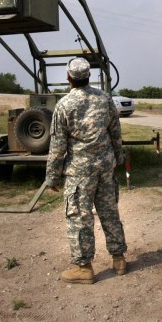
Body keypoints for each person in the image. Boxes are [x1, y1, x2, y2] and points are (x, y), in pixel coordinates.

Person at [44, 57, 127, 284]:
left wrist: (52, 176)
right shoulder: (105, 99)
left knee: (80, 218)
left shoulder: (64, 105)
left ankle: (84, 268)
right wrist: (118, 157)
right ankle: (119, 259)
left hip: (80, 173)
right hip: (105, 167)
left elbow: (58, 145)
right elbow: (115, 132)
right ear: (89, 76)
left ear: (69, 78)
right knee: (110, 212)